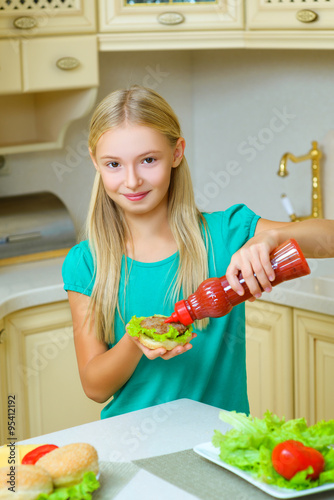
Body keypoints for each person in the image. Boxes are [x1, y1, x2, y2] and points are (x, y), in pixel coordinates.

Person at [62, 85, 334, 419]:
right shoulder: (86, 262)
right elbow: (95, 386)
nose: (131, 180)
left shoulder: (226, 233)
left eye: (148, 160)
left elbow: (329, 238)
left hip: (218, 444)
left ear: (177, 153)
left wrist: (270, 238)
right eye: (114, 164)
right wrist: (136, 341)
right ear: (95, 162)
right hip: (130, 444)